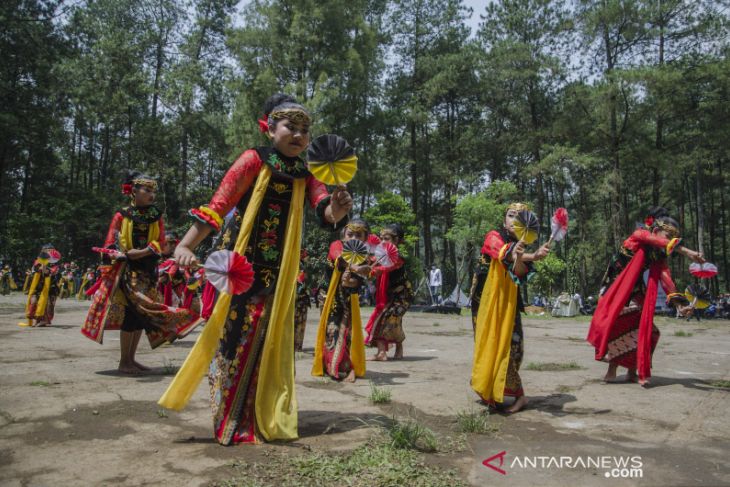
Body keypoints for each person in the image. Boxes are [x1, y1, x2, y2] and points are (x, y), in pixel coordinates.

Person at [159, 93, 352, 446]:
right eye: (290, 127)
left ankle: (263, 414)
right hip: (239, 266)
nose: (298, 136)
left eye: (304, 130)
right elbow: (219, 205)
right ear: (269, 128)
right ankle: (231, 419)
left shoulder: (308, 171)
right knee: (234, 338)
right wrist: (185, 245)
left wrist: (338, 208)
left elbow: (325, 213)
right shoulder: (253, 160)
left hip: (280, 271)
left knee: (270, 341)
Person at [81, 171, 203, 374]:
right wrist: (128, 253)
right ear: (133, 191)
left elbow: (162, 243)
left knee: (139, 316)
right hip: (128, 272)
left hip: (148, 271)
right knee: (133, 313)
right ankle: (125, 361)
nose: (151, 194)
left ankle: (130, 359)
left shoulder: (156, 216)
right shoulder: (122, 215)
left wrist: (147, 251)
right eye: (147, 189)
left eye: (153, 190)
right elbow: (110, 243)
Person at [587, 207, 704, 387]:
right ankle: (612, 370)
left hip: (634, 290)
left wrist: (680, 305)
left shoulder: (657, 254)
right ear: (656, 231)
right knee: (623, 322)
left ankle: (633, 370)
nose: (668, 241)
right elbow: (653, 239)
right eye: (668, 236)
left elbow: (666, 279)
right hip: (615, 290)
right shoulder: (640, 234)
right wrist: (687, 252)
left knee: (650, 332)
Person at [471, 203, 550, 414]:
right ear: (504, 220)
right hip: (484, 303)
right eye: (510, 215)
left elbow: (519, 271)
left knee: (510, 348)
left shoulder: (520, 246)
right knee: (488, 344)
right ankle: (490, 392)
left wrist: (531, 256)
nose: (514, 219)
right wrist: (531, 255)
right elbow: (502, 252)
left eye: (519, 217)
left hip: (508, 305)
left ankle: (520, 396)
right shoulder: (493, 236)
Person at [312, 219, 370, 382]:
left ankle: (343, 368)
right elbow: (337, 257)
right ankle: (335, 366)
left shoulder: (364, 258)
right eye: (350, 234)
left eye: (358, 235)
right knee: (331, 330)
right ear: (344, 234)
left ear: (365, 238)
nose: (353, 238)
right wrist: (355, 268)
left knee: (344, 332)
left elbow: (356, 283)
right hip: (329, 298)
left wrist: (349, 280)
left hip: (347, 301)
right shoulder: (337, 245)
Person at [365, 223, 413, 361]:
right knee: (387, 320)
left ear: (396, 241)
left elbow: (385, 269)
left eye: (387, 238)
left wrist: (371, 271)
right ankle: (383, 352)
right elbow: (370, 263)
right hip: (388, 295)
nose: (383, 242)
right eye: (381, 238)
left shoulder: (398, 258)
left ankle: (392, 349)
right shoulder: (379, 255)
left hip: (402, 296)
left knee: (389, 319)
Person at [20, 245, 62, 327]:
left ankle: (44, 320)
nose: (49, 251)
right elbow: (38, 271)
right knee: (35, 302)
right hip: (39, 286)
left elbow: (49, 272)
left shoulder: (55, 264)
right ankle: (36, 319)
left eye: (51, 250)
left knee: (49, 305)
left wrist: (45, 266)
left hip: (51, 287)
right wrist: (43, 263)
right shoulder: (38, 261)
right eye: (47, 250)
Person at [294, 249, 311, 352]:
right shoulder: (297, 265)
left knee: (300, 322)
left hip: (303, 298)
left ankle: (297, 345)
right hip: (298, 297)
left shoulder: (303, 265)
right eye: (303, 254)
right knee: (297, 322)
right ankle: (296, 345)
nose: (305, 256)